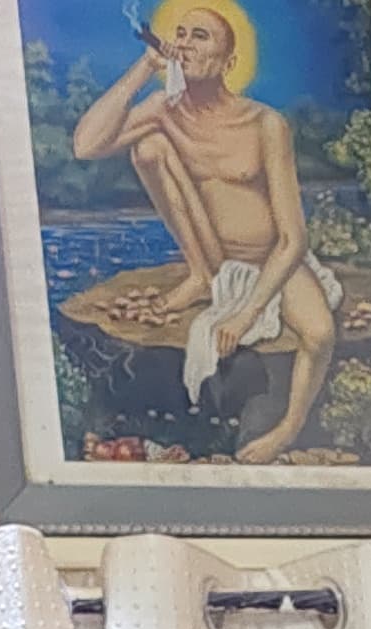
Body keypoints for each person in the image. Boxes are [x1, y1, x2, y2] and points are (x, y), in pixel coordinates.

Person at [68, 7, 343, 463]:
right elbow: (86, 145)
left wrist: (245, 315)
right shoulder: (165, 109)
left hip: (270, 257)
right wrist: (145, 67)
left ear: (228, 61)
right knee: (148, 148)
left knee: (319, 334)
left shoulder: (264, 124)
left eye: (200, 36)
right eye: (180, 34)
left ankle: (286, 430)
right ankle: (200, 275)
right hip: (215, 257)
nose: (185, 43)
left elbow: (293, 239)